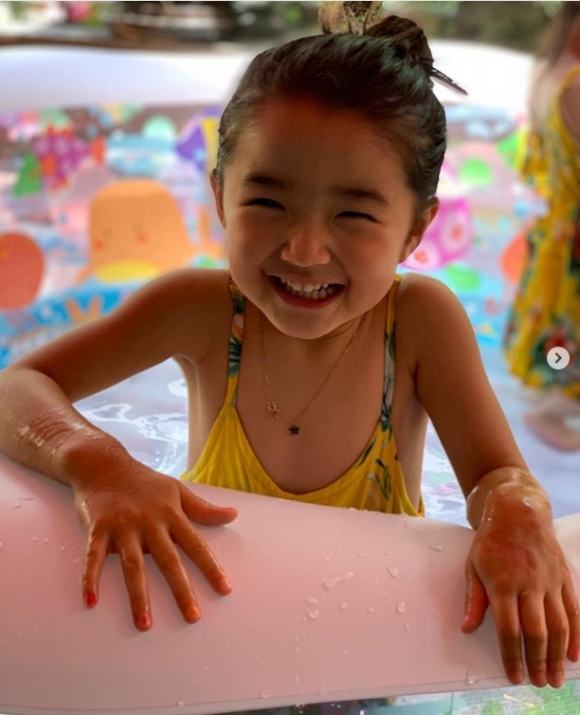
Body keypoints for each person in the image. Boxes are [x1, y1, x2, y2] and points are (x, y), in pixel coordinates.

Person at [0, 0, 577, 691]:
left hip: (367, 652)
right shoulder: (201, 311)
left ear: (415, 231)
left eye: (354, 214)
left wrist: (518, 512)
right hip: (218, 637)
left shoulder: (419, 322)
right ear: (220, 196)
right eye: (267, 203)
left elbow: (495, 477)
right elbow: (16, 388)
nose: (304, 249)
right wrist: (101, 464)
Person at [503, 1, 580, 451]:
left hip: (557, 222)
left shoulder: (547, 73)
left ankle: (547, 392)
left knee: (556, 317)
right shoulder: (576, 82)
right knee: (569, 321)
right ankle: (552, 409)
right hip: (573, 225)